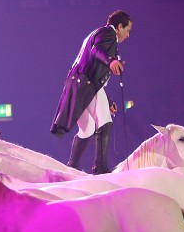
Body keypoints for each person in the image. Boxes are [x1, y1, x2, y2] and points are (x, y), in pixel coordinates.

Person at [50, 10, 131, 173]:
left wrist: (107, 101)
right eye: (127, 30)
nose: (127, 35)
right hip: (86, 83)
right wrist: (111, 61)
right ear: (119, 26)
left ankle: (71, 168)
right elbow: (96, 50)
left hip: (80, 85)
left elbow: (95, 69)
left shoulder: (97, 34)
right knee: (104, 121)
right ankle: (100, 167)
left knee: (87, 130)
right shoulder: (108, 33)